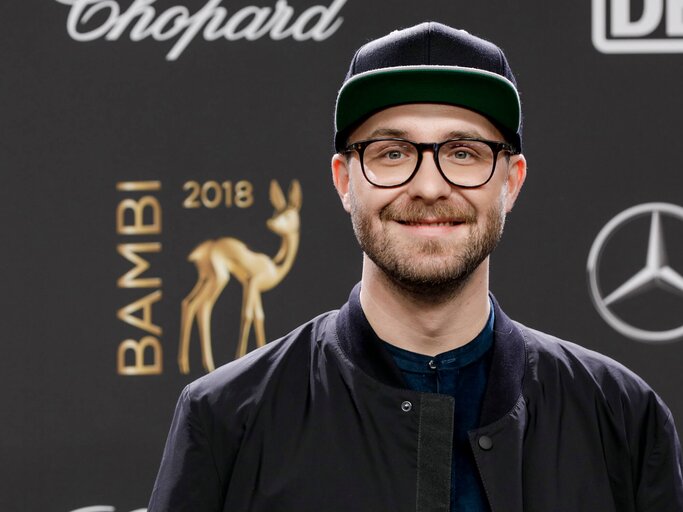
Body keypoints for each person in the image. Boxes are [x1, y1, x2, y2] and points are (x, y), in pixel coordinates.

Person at [148, 22, 683, 512]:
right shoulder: (227, 418)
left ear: (512, 181)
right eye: (393, 153)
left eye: (464, 152)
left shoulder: (621, 416)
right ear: (343, 180)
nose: (429, 187)